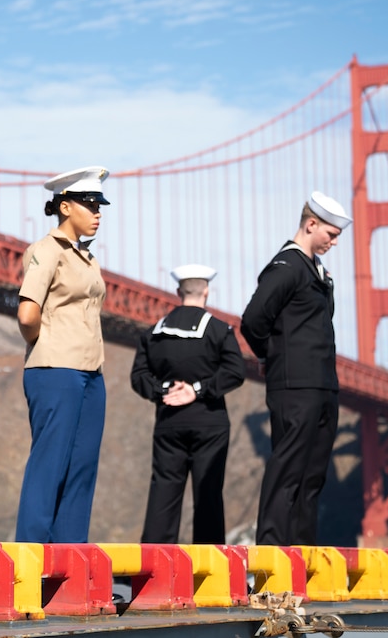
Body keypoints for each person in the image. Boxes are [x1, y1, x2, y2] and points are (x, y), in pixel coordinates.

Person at [241, 191, 352, 546]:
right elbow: (253, 320)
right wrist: (269, 358)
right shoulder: (286, 267)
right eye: (331, 235)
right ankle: (272, 552)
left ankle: (304, 555)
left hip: (323, 385)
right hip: (294, 386)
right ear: (311, 224)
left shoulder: (316, 271)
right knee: (287, 470)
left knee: (312, 475)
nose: (334, 243)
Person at [15, 166, 110, 543]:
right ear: (66, 207)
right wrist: (47, 342)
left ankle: (70, 563)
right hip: (55, 369)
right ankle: (31, 561)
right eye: (90, 203)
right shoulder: (45, 251)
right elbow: (27, 314)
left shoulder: (86, 258)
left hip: (91, 372)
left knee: (81, 469)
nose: (98, 211)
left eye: (100, 204)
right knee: (50, 464)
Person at [130, 265, 245, 545]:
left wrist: (164, 390)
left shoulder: (153, 334)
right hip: (210, 424)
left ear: (178, 292)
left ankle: (153, 569)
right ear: (206, 291)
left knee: (163, 496)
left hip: (169, 422)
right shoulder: (220, 331)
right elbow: (235, 372)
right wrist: (198, 389)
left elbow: (138, 376)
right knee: (208, 497)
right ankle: (207, 572)